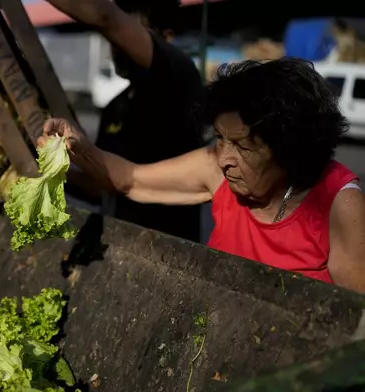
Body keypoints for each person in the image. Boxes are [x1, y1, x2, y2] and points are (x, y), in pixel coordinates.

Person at [40, 58, 365, 293]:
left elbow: (355, 330)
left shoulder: (341, 204)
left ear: (289, 150)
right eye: (221, 139)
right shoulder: (216, 170)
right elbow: (131, 180)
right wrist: (80, 148)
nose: (224, 159)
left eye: (242, 147)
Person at [44, 0, 203, 242]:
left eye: (126, 34)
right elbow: (105, 187)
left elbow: (106, 17)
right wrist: (53, 172)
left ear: (166, 38)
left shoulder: (180, 77)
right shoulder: (115, 106)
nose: (115, 45)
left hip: (167, 252)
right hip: (119, 251)